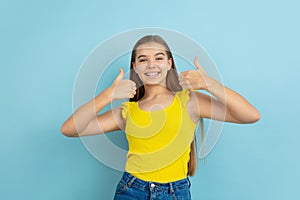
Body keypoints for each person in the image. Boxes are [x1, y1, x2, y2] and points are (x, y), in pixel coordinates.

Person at [61, 35, 260, 199]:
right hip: (131, 191)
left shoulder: (189, 101)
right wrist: (108, 95)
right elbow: (69, 129)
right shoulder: (127, 111)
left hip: (176, 192)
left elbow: (250, 115)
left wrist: (208, 84)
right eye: (143, 60)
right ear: (135, 67)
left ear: (169, 63)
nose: (151, 65)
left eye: (158, 58)